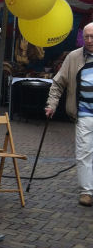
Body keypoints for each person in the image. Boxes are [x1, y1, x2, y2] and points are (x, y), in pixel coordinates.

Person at [46, 22, 93, 206]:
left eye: (92, 36)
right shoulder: (74, 57)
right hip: (83, 113)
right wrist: (51, 105)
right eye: (86, 36)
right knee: (84, 152)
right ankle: (86, 191)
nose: (89, 40)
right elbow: (58, 83)